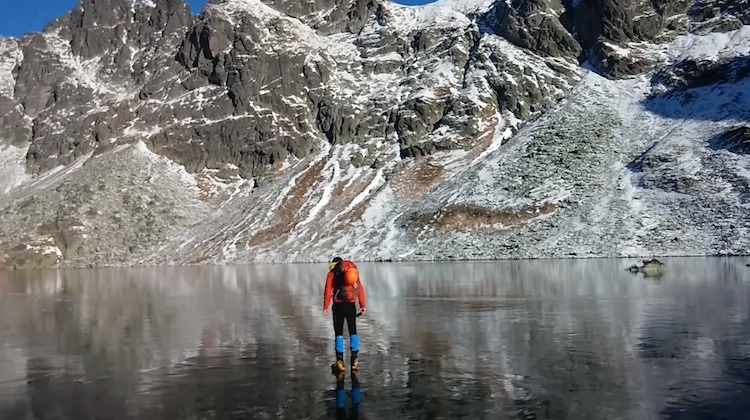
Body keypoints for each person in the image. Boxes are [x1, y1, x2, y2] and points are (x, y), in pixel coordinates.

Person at [324, 256, 366, 373]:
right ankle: (354, 361)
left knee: (339, 333)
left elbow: (328, 290)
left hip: (338, 306)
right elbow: (360, 289)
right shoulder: (352, 272)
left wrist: (325, 306)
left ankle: (340, 362)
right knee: (353, 331)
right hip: (351, 305)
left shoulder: (332, 273)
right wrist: (363, 305)